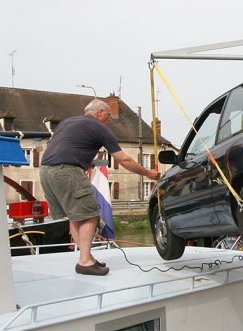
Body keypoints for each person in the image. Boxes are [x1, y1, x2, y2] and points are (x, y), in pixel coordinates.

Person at [40, 99, 160, 276]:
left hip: (45, 171)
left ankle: (85, 256)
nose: (109, 120)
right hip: (67, 170)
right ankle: (85, 262)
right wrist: (147, 173)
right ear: (99, 113)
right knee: (91, 215)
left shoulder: (67, 122)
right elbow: (123, 159)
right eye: (108, 115)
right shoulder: (98, 127)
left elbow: (67, 146)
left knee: (75, 216)